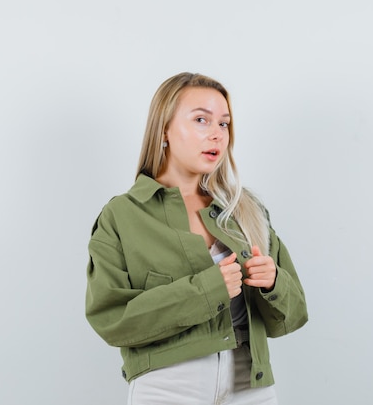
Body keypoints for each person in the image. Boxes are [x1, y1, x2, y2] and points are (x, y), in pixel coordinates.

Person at [85, 72, 308, 405]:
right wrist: (207, 290)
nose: (216, 135)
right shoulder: (123, 216)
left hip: (251, 382)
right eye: (202, 120)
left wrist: (273, 282)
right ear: (164, 130)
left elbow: (293, 316)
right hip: (167, 383)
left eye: (224, 124)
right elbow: (112, 320)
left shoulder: (245, 209)